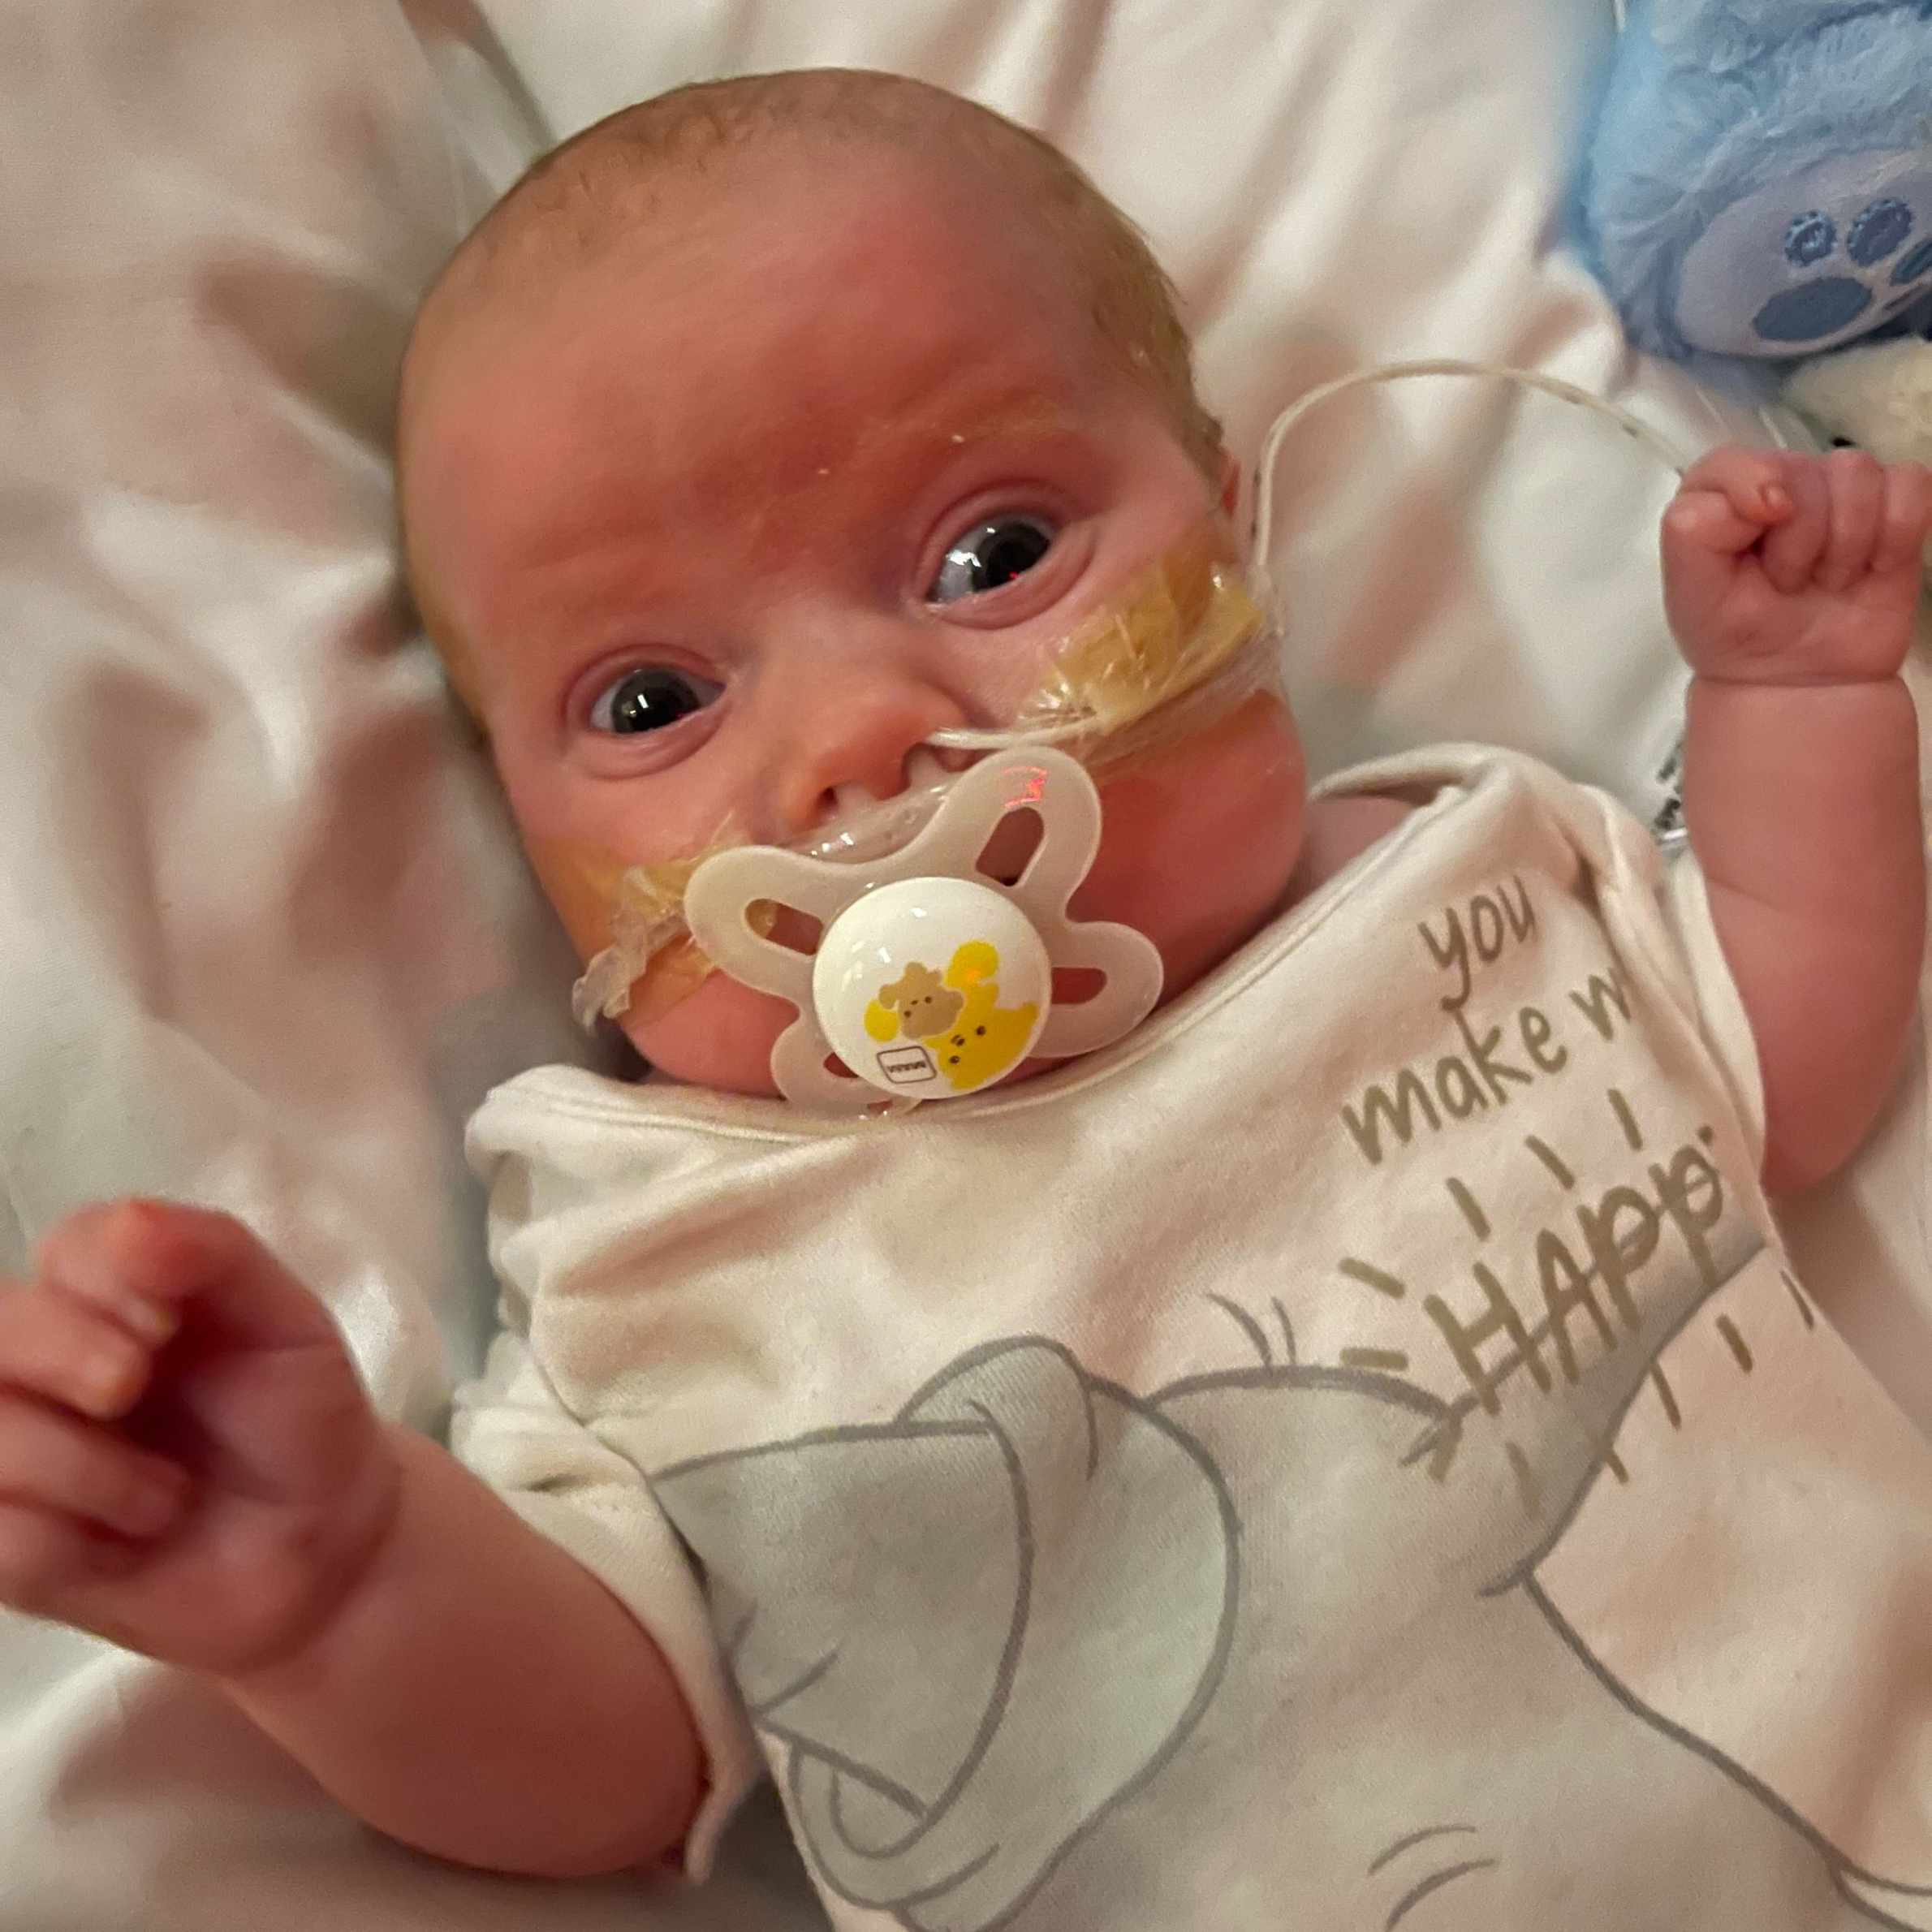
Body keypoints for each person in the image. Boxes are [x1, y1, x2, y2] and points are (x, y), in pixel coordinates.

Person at [0, 67, 1929, 1928]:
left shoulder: (1451, 882)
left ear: (1235, 538)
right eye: (653, 700)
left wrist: (1796, 702)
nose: (858, 746)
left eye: (991, 553)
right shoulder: (670, 1235)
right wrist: (339, 1587)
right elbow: (615, 1766)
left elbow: (1786, 1058)